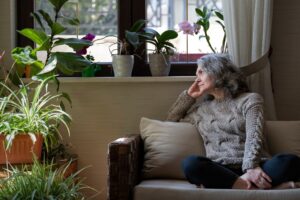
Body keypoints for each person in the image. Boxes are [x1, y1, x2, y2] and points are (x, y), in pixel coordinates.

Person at [166, 54, 300, 190]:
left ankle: (236, 185)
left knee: (290, 161)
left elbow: (254, 136)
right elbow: (171, 119)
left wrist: (251, 168)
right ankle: (251, 187)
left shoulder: (250, 100)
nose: (197, 78)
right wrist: (189, 97)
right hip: (221, 170)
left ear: (217, 71)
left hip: (257, 166)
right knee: (190, 164)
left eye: (201, 72)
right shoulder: (200, 111)